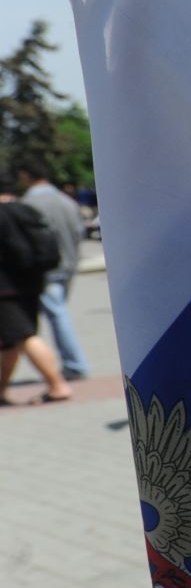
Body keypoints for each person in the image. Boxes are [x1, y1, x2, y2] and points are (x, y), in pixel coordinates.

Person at [17, 160, 89, 380]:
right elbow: (79, 232)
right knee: (58, 312)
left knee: (57, 314)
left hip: (47, 269)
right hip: (68, 264)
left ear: (27, 177)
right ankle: (72, 364)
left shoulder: (29, 203)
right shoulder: (66, 200)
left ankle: (75, 364)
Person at [0, 187, 72, 405]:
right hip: (30, 283)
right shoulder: (22, 209)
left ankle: (57, 385)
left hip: (4, 290)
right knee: (9, 342)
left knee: (24, 337)